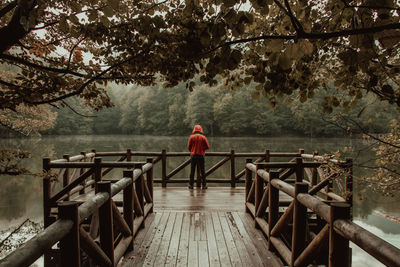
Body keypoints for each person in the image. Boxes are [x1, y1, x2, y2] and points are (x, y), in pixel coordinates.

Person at [187, 124, 210, 189]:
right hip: (201, 155)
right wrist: (202, 149)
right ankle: (204, 185)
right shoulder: (203, 137)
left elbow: (189, 147)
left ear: (194, 129)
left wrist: (192, 151)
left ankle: (191, 185)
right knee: (202, 171)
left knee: (192, 171)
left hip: (193, 155)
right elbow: (207, 147)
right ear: (200, 130)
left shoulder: (191, 137)